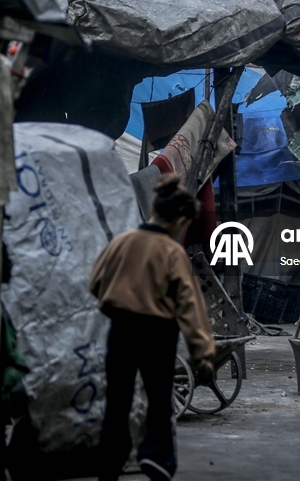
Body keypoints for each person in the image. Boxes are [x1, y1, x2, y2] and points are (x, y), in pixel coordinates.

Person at [89, 175, 216, 481]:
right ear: (181, 220)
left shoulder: (123, 242)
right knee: (159, 401)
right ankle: (157, 459)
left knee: (117, 401)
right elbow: (190, 309)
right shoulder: (172, 253)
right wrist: (203, 354)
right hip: (158, 333)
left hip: (120, 329)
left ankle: (110, 464)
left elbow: (95, 281)